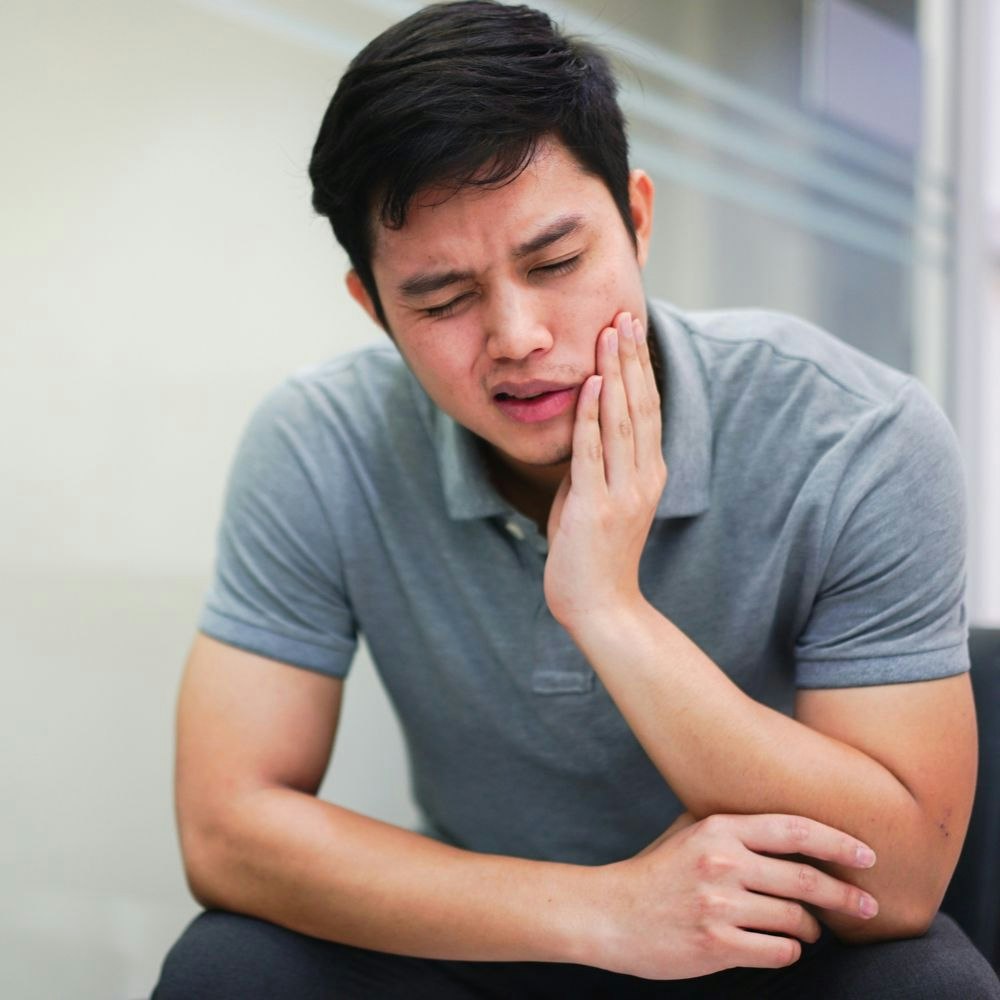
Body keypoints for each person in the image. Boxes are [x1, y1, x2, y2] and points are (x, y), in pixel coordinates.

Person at [153, 2, 999, 997]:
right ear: (371, 307)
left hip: (770, 940)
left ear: (637, 219)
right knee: (229, 967)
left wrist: (607, 609)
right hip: (499, 935)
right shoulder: (317, 443)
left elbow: (898, 879)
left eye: (555, 262)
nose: (516, 334)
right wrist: (602, 912)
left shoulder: (856, 434)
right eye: (441, 299)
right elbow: (226, 829)